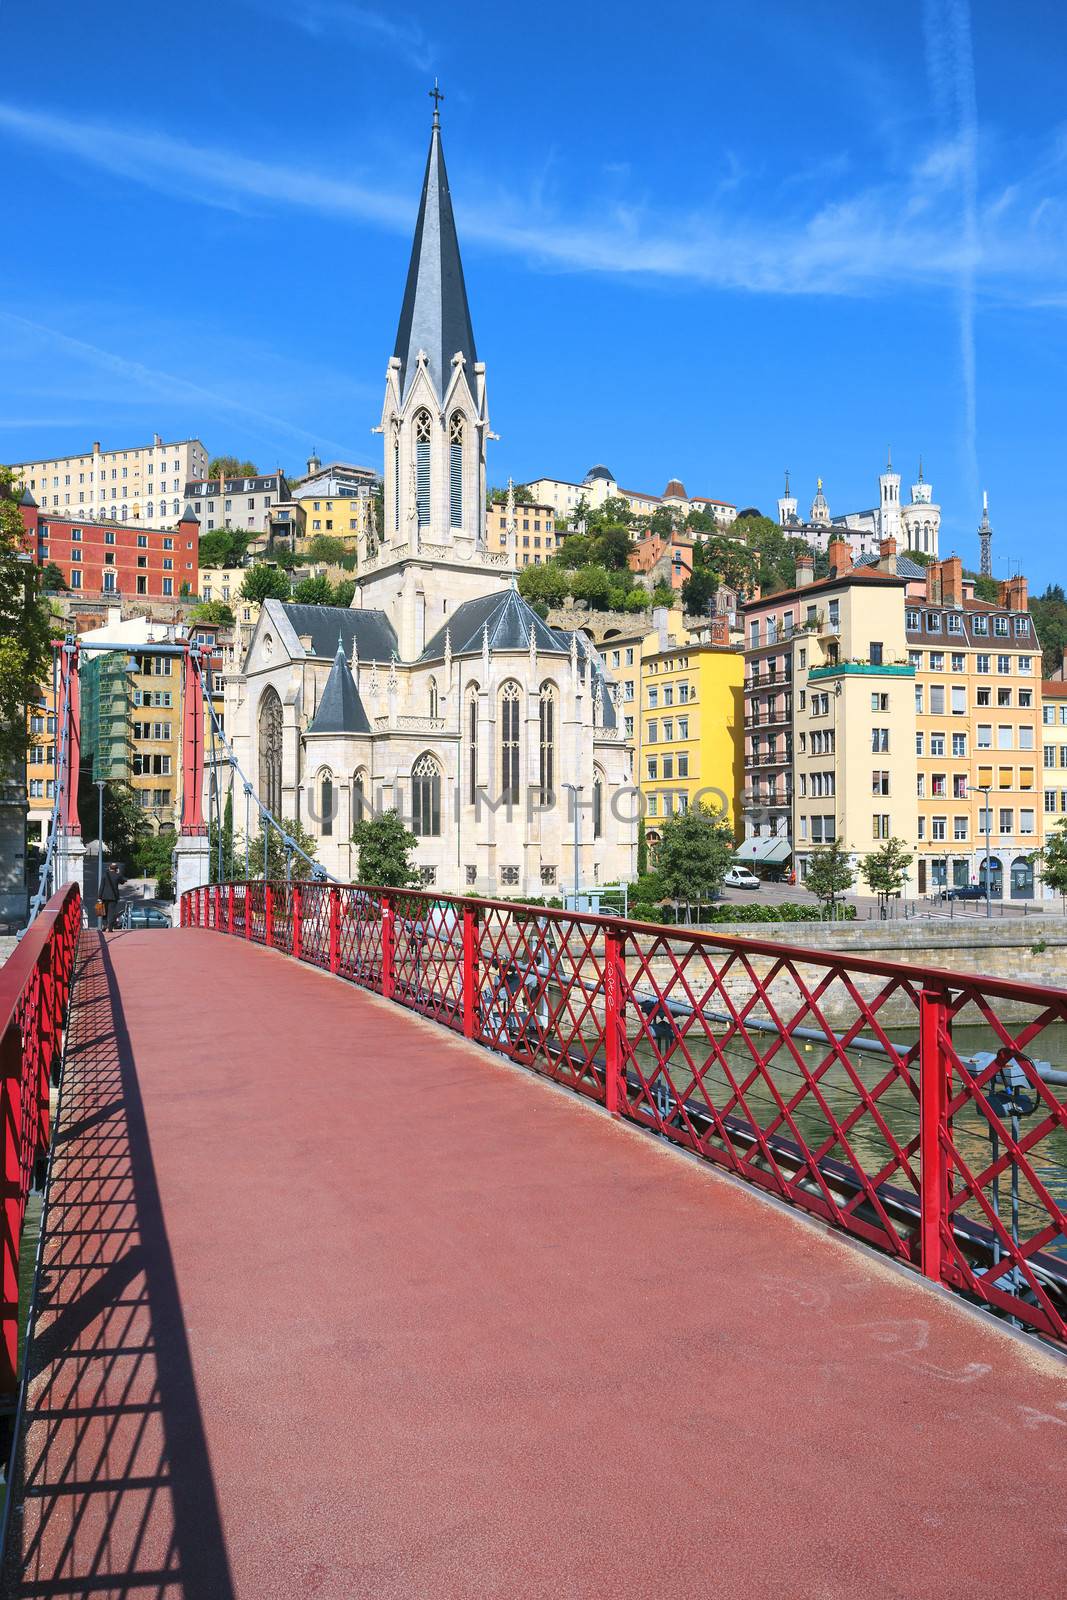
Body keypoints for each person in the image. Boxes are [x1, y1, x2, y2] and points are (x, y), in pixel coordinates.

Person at [99, 861, 122, 931]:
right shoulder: (117, 875)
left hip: (104, 896)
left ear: (109, 868)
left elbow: (101, 886)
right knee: (112, 912)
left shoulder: (105, 875)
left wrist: (99, 897)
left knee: (104, 911)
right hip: (113, 897)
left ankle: (104, 925)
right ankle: (110, 927)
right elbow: (123, 881)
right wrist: (119, 873)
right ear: (116, 869)